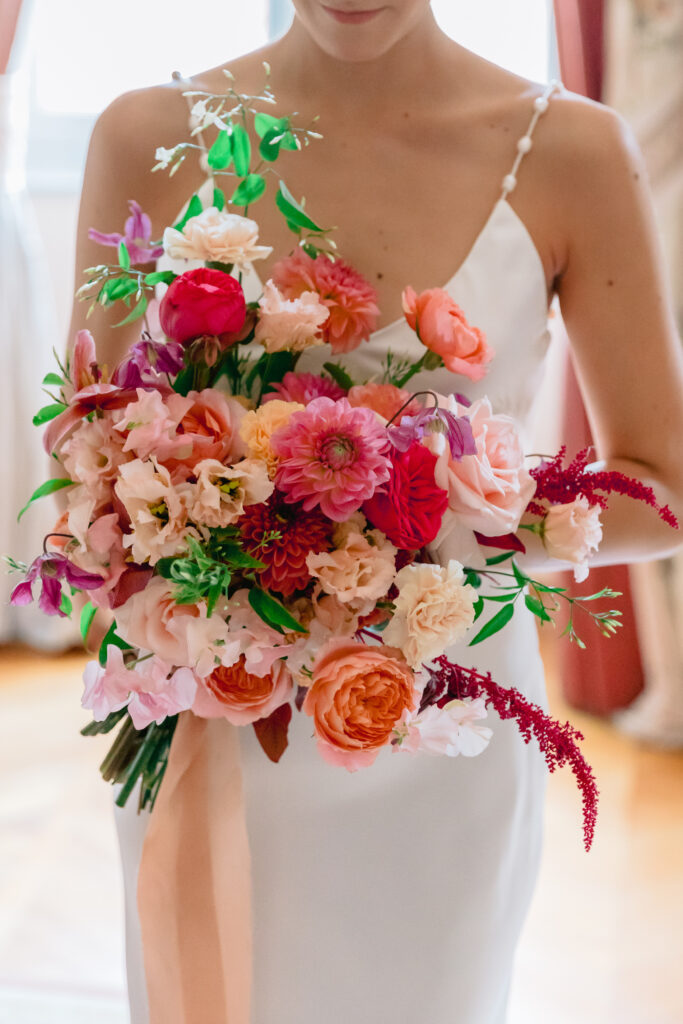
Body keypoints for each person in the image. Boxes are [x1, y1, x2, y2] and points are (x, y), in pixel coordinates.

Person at [66, 3, 683, 1023]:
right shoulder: (143, 134)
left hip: (442, 735)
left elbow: (661, 484)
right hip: (213, 718)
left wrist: (447, 510)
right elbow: (87, 455)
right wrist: (210, 506)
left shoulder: (570, 150)